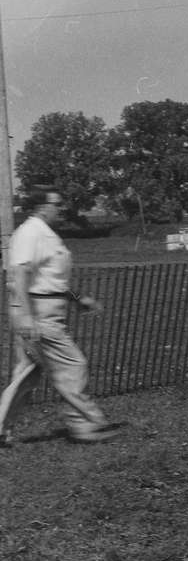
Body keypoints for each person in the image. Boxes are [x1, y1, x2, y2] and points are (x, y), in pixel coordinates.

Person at [0, 186, 118, 445]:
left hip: (45, 308)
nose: (62, 208)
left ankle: (1, 429)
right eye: (58, 203)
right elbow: (19, 274)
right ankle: (84, 425)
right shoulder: (30, 233)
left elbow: (51, 280)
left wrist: (77, 300)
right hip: (38, 312)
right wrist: (27, 317)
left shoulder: (46, 234)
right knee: (72, 366)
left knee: (28, 373)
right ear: (42, 207)